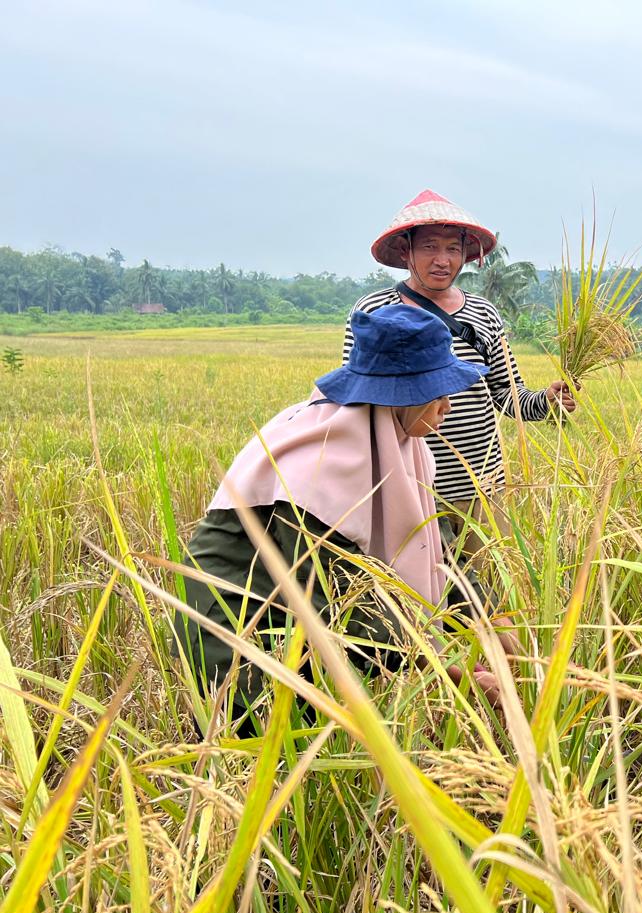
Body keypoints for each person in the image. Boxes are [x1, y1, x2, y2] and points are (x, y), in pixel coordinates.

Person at [174, 303, 495, 724]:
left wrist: (486, 623)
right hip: (238, 624)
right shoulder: (318, 463)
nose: (447, 407)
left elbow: (439, 549)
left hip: (297, 618)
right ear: (401, 396)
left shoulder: (405, 446)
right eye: (438, 394)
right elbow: (342, 604)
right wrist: (448, 672)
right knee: (264, 744)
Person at [344, 189, 577, 560]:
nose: (442, 260)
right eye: (430, 247)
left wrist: (548, 401)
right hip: (405, 483)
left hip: (481, 484)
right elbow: (357, 397)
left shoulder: (484, 313)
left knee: (488, 595)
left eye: (453, 249)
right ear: (405, 251)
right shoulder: (375, 310)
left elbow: (507, 393)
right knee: (414, 598)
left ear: (466, 255)